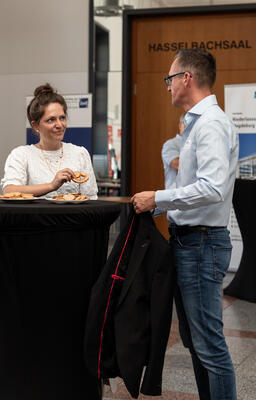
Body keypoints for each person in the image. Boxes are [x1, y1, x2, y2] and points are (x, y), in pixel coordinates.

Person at [131, 49, 238, 400]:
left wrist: (158, 198)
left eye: (170, 79)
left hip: (201, 245)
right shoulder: (197, 125)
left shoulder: (210, 124)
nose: (168, 87)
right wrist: (155, 207)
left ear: (186, 79)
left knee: (209, 346)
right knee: (197, 344)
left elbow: (212, 189)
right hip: (189, 242)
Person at [1, 83, 98, 199]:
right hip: (35, 217)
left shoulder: (80, 154)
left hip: (73, 217)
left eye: (62, 118)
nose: (59, 125)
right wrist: (51, 185)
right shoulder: (21, 155)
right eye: (51, 120)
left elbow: (91, 198)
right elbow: (9, 191)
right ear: (36, 125)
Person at [161, 113, 185, 189]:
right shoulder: (171, 144)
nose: (189, 127)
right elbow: (180, 166)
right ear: (180, 126)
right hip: (173, 196)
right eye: (186, 123)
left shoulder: (198, 144)